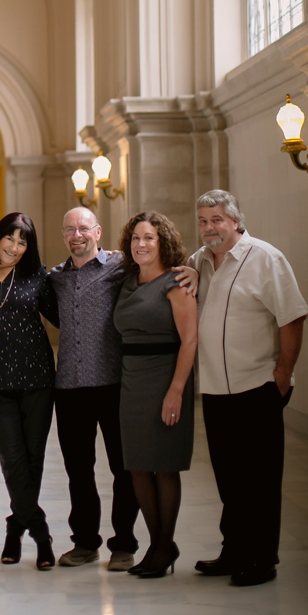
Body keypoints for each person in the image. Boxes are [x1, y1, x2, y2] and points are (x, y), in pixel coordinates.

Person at [190, 190, 308, 587]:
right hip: (215, 390)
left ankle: (262, 559)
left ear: (236, 220)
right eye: (204, 220)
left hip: (257, 386)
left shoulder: (266, 258)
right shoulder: (199, 262)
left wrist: (282, 374)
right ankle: (234, 550)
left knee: (260, 479)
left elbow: (292, 318)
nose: (209, 227)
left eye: (217, 219)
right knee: (229, 478)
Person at [0, 212, 59, 570]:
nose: (14, 247)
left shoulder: (38, 275)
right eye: (9, 238)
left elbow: (66, 316)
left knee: (32, 461)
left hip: (37, 380)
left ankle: (15, 529)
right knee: (13, 460)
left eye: (22, 242)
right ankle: (41, 532)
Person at [48, 207, 140, 571]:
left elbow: (160, 265)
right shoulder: (54, 277)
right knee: (79, 471)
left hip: (114, 384)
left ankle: (125, 543)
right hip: (69, 386)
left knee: (123, 469)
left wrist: (191, 272)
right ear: (63, 235)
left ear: (98, 232)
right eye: (69, 229)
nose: (77, 235)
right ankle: (85, 543)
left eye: (83, 228)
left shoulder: (120, 268)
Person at [113, 211, 198, 579]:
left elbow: (190, 339)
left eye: (148, 237)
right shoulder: (127, 281)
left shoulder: (177, 282)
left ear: (162, 241)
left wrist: (176, 392)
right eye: (135, 238)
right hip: (131, 382)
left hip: (166, 378)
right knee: (137, 468)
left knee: (164, 466)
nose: (141, 244)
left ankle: (165, 544)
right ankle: (157, 543)